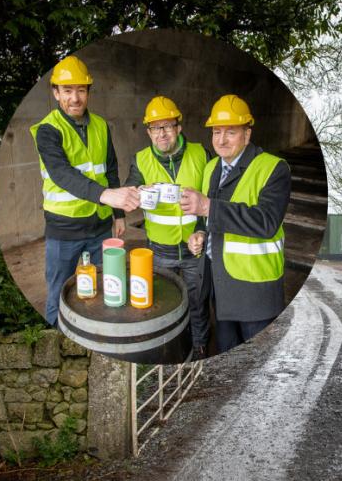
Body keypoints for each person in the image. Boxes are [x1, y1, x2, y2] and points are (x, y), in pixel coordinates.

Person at [30, 55, 139, 326]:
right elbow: (62, 174)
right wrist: (107, 196)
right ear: (56, 92)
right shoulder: (48, 130)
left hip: (100, 227)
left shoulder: (101, 125)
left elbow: (110, 171)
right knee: (59, 295)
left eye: (81, 90)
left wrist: (118, 215)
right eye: (67, 90)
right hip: (64, 231)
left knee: (106, 288)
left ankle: (98, 338)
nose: (75, 98)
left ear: (88, 92)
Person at [180, 94, 291, 355]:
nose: (221, 140)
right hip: (220, 285)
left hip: (255, 291)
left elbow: (266, 222)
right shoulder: (210, 168)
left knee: (260, 363)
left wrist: (207, 206)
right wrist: (199, 233)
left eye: (230, 132)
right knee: (228, 359)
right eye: (217, 131)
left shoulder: (274, 168)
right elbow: (207, 219)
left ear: (247, 134)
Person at [125, 95, 210, 357]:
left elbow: (213, 200)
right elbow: (128, 197)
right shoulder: (141, 160)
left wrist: (203, 232)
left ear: (178, 127)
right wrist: (139, 192)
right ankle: (172, 349)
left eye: (167, 126)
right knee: (165, 303)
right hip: (160, 250)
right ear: (149, 132)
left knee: (198, 303)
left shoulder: (201, 154)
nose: (162, 134)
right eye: (155, 128)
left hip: (195, 249)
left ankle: (200, 348)